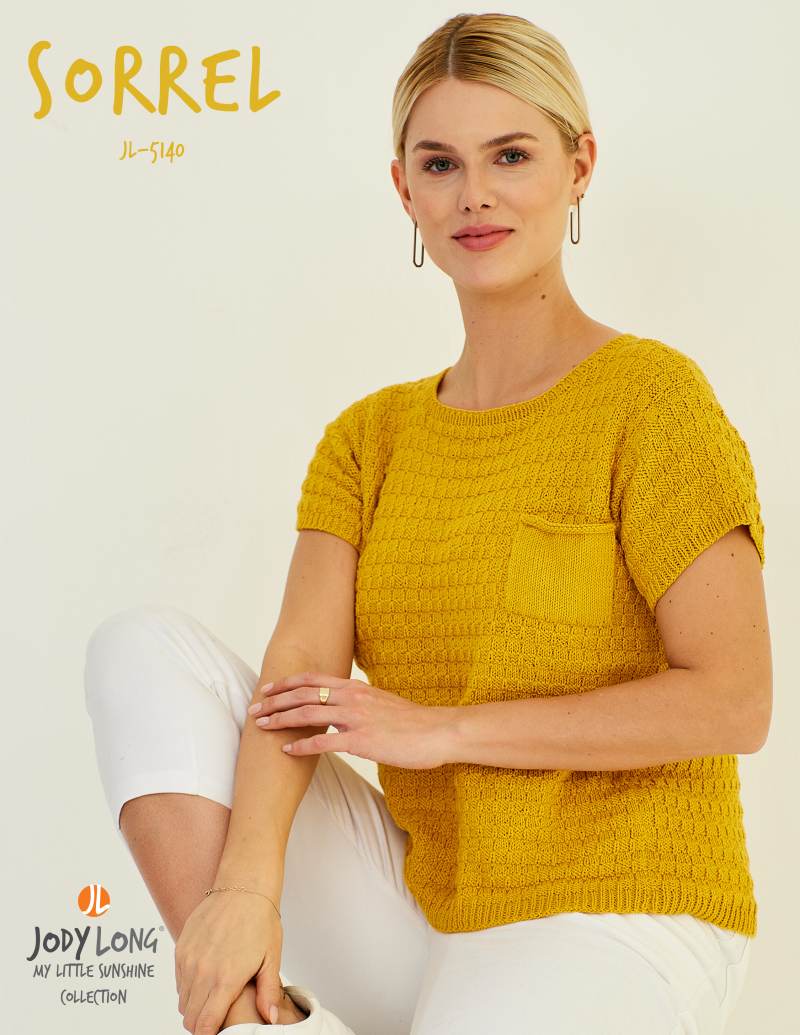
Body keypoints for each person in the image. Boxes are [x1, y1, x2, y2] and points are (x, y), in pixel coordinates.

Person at [83, 12, 772, 1035]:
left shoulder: (651, 401)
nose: (474, 194)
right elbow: (296, 683)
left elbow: (734, 702)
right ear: (404, 191)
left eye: (510, 155)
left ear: (579, 167)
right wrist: (243, 890)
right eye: (440, 163)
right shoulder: (369, 440)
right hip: (425, 906)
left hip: (621, 912)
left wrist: (441, 731)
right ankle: (255, 1010)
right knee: (140, 652)